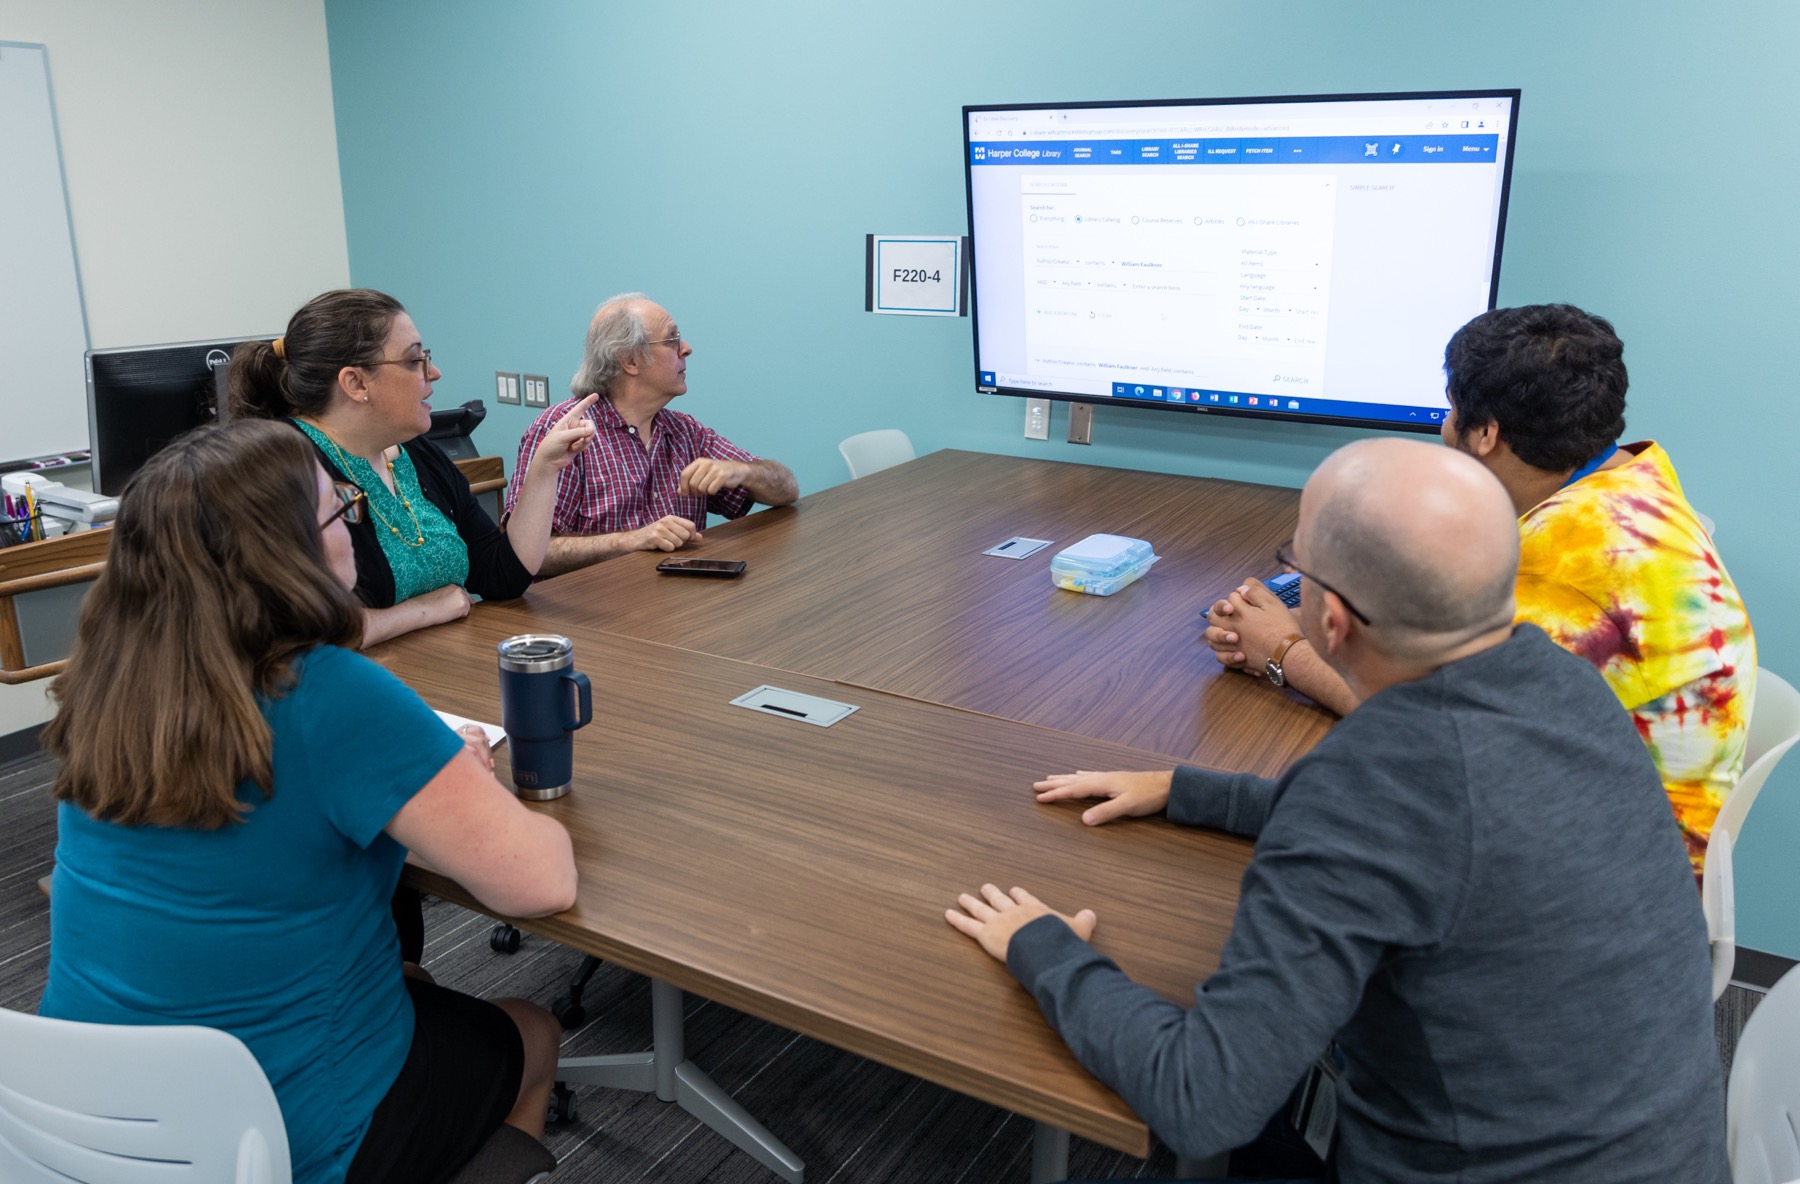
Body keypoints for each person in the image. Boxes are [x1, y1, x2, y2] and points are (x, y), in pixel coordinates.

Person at [950, 439, 1728, 1183]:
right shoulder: (1565, 685)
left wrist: (1043, 948)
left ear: (1330, 620)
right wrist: (1185, 789)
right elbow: (1421, 829)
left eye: (1297, 563)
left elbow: (1201, 1103)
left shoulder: (1368, 780)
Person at [38, 420, 579, 1184]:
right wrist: (471, 782)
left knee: (411, 980)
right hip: (270, 1136)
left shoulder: (103, 690)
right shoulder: (326, 690)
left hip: (80, 1115)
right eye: (338, 511)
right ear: (285, 551)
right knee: (531, 1030)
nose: (351, 529)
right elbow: (543, 882)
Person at [1200, 304, 1753, 872]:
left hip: (1601, 871)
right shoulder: (1634, 477)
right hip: (1608, 811)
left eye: (1452, 409)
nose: (1444, 427)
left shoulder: (1566, 561)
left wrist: (1284, 652)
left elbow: (1432, 734)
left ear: (1486, 432)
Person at [230, 288, 596, 646]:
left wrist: (546, 467)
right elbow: (305, 633)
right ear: (355, 382)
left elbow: (501, 576)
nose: (434, 372)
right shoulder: (285, 468)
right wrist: (426, 610)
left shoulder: (415, 452)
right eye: (413, 360)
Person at [507, 293, 798, 577]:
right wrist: (633, 540)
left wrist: (742, 472)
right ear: (630, 360)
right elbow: (528, 555)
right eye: (672, 340)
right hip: (592, 614)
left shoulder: (685, 432)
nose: (686, 348)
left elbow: (788, 490)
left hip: (676, 606)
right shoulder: (564, 431)